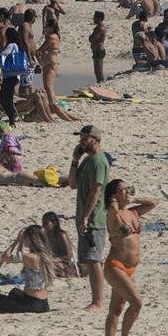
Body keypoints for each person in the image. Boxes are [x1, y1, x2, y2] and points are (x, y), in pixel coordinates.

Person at [102, 179, 158, 336]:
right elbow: (112, 210)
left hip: (131, 269)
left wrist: (133, 199)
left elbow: (154, 202)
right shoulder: (113, 214)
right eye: (123, 190)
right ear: (114, 196)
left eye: (129, 189)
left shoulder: (133, 213)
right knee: (137, 303)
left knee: (117, 308)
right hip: (115, 266)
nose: (128, 192)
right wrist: (113, 202)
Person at [68, 125, 110, 312]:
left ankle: (98, 302)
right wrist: (75, 160)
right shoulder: (87, 161)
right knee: (90, 261)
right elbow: (72, 184)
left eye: (85, 138)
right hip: (85, 218)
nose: (81, 141)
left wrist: (85, 217)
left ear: (96, 139)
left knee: (94, 261)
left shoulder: (99, 161)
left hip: (95, 220)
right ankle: (96, 300)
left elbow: (96, 191)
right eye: (81, 138)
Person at [0, 225, 55, 313]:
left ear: (31, 240)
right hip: (43, 303)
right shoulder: (46, 256)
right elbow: (20, 254)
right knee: (14, 292)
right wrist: (22, 241)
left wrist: (18, 240)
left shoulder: (30, 257)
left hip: (32, 304)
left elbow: (5, 257)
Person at [42, 212, 78, 278]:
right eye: (43, 224)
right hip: (58, 260)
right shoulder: (46, 235)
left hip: (70, 262)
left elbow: (69, 256)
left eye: (46, 223)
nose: (43, 226)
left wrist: (53, 259)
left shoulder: (61, 235)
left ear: (54, 223)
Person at [36, 19, 61, 106]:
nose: (45, 28)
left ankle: (53, 105)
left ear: (51, 27)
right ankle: (53, 105)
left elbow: (39, 50)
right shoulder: (54, 36)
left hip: (50, 64)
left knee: (49, 87)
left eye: (46, 26)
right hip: (50, 64)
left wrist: (39, 59)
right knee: (49, 87)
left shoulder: (51, 37)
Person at [89, 11, 107, 85]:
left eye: (95, 17)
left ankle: (101, 85)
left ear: (99, 18)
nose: (93, 18)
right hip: (97, 50)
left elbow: (93, 39)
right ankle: (99, 84)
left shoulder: (100, 28)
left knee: (99, 71)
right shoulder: (98, 27)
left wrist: (90, 37)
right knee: (97, 71)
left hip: (99, 50)